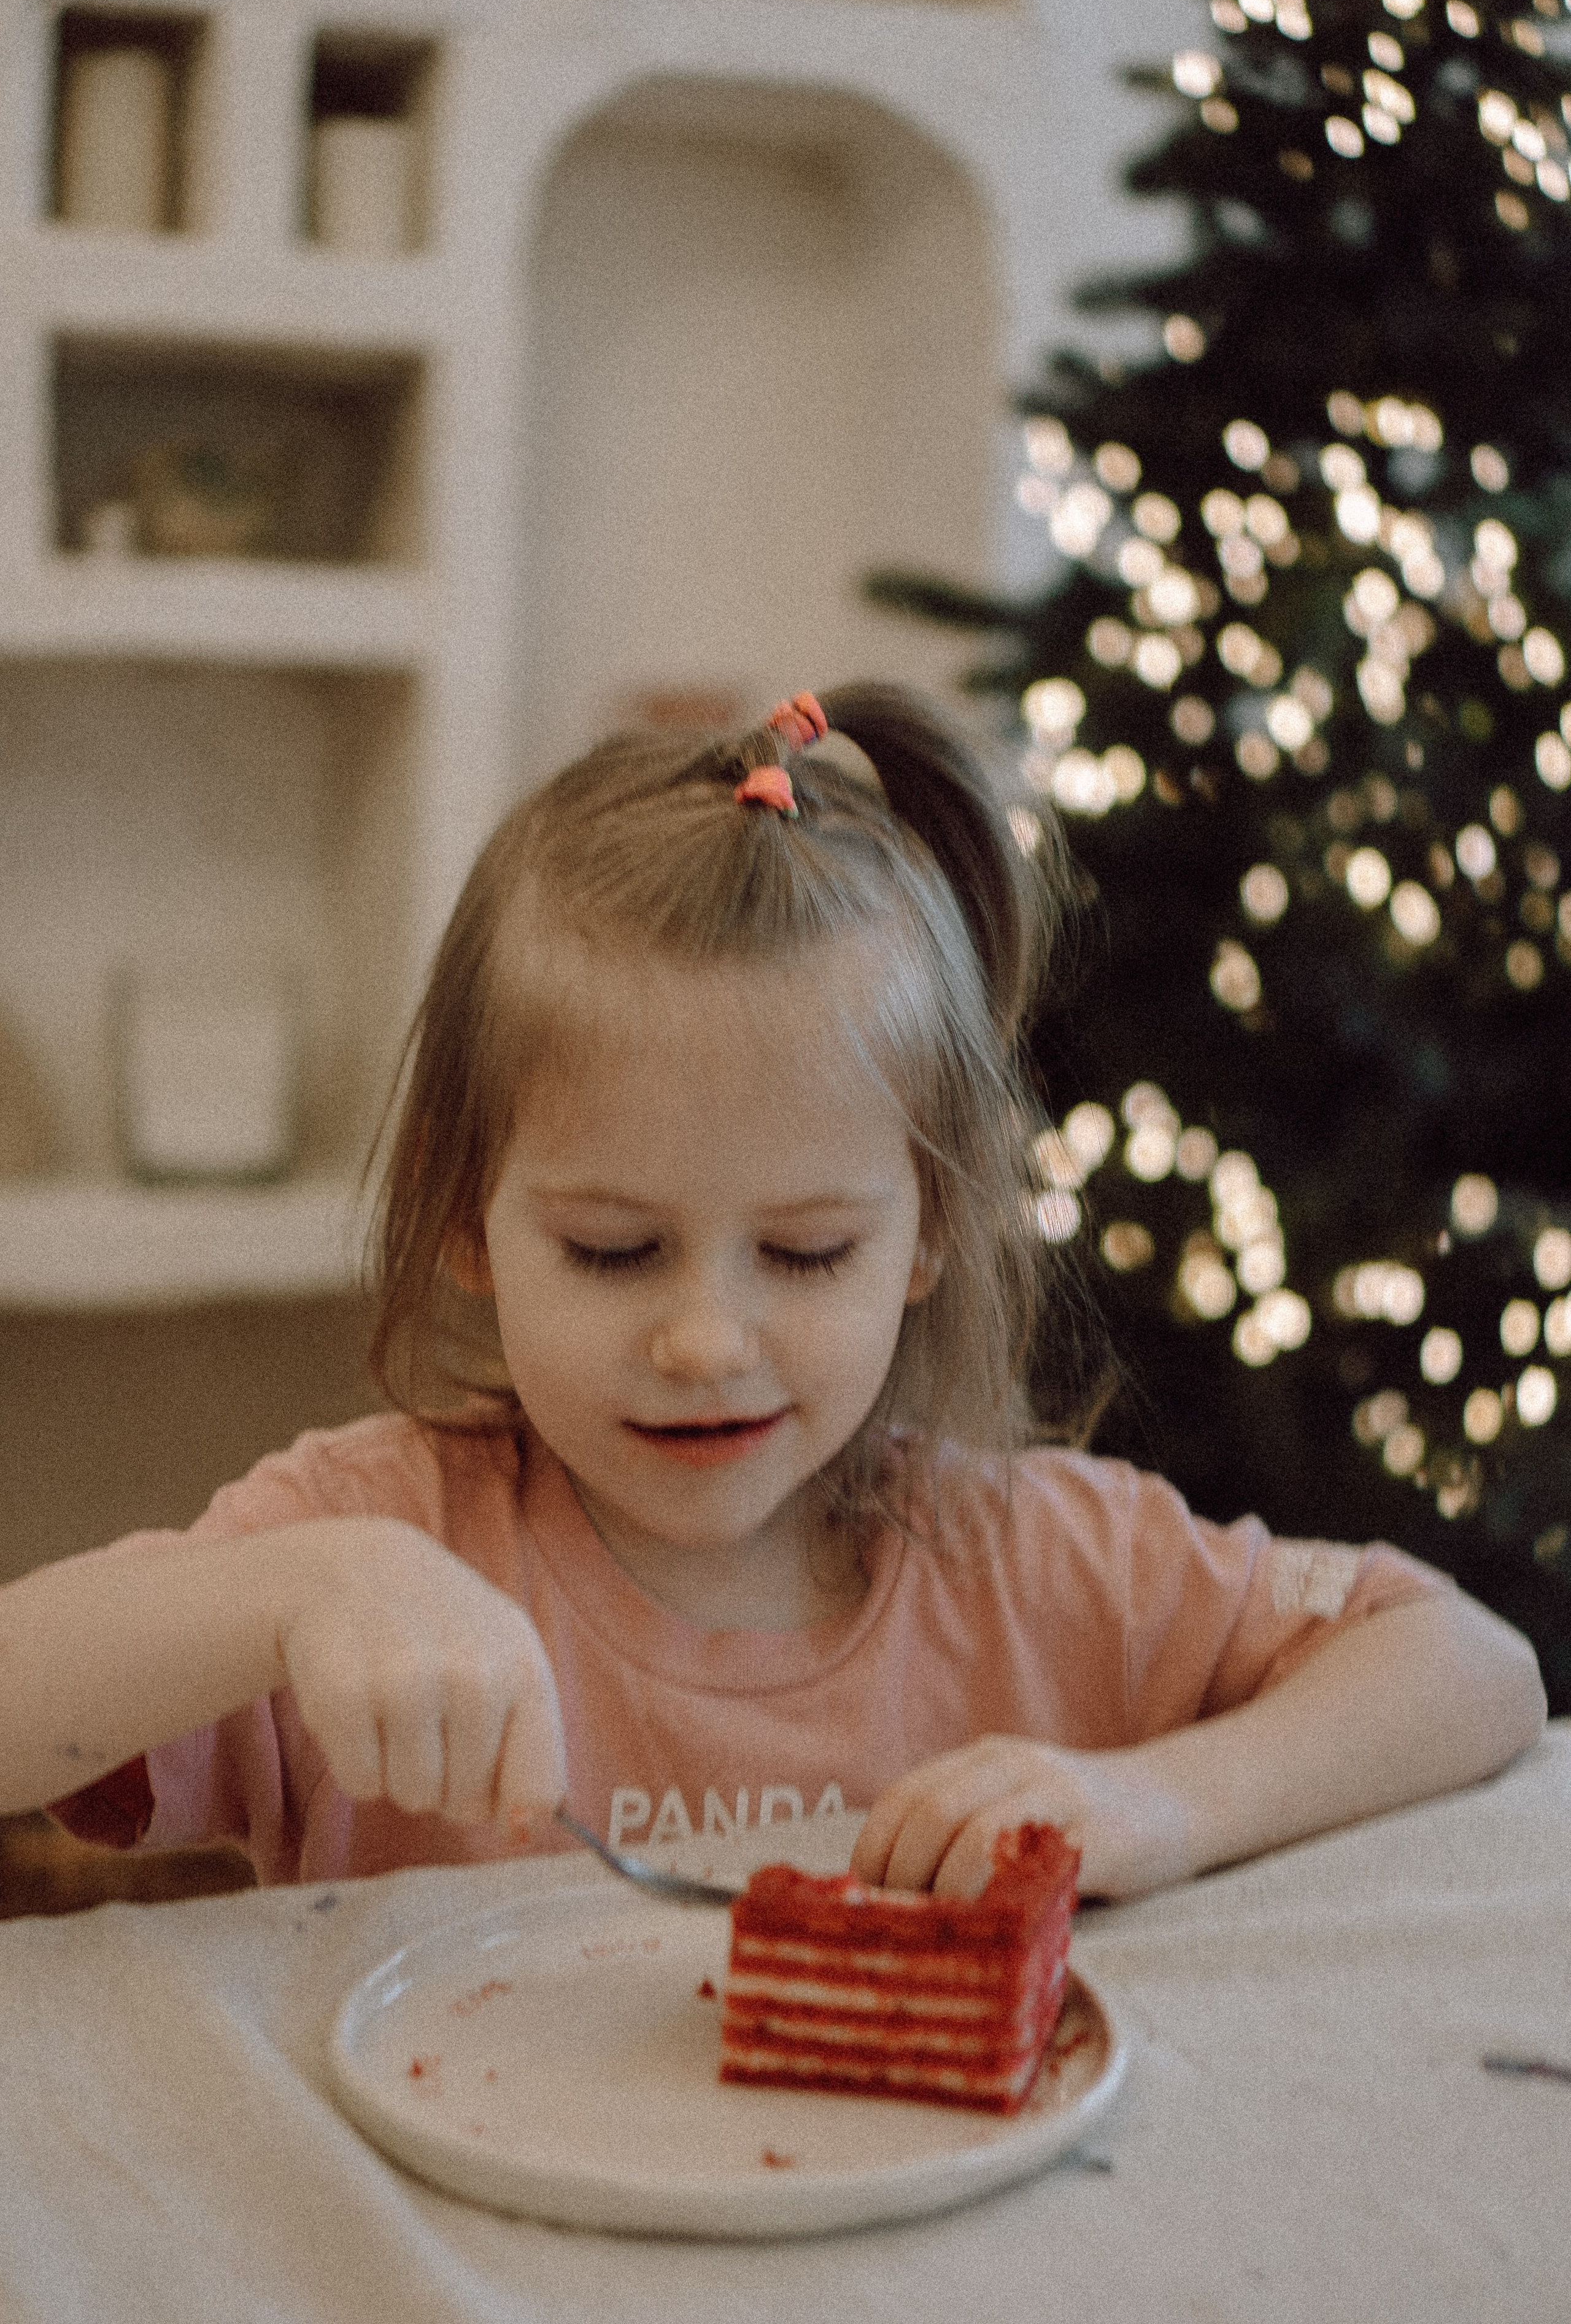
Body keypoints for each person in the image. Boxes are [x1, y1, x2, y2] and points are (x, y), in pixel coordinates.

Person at [0, 686, 1545, 1899]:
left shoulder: (1021, 1564)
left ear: (926, 1233)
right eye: (612, 1249)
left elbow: (1473, 1671)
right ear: (470, 1217)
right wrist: (293, 1593)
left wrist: (1157, 1800)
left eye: (807, 1254)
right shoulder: (383, 1545)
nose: (705, 1341)